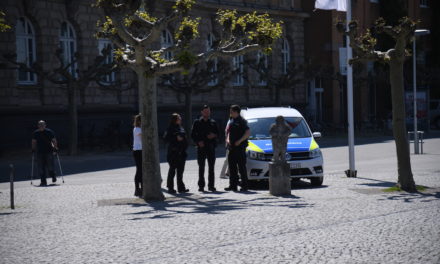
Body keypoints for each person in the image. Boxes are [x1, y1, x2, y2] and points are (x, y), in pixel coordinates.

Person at [191, 105, 219, 192]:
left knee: (211, 168)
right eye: (206, 111)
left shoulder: (213, 122)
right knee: (201, 167)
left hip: (211, 147)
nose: (207, 113)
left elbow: (218, 133)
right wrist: (198, 142)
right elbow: (192, 135)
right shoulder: (197, 122)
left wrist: (213, 135)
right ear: (202, 112)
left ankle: (211, 186)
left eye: (209, 111)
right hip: (201, 148)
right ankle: (201, 186)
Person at [224, 105, 250, 192]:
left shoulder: (242, 121)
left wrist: (239, 141)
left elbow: (247, 133)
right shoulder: (231, 121)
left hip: (240, 148)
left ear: (236, 112)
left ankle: (245, 186)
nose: (230, 113)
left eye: (232, 111)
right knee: (232, 168)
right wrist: (227, 140)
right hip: (231, 148)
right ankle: (233, 186)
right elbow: (228, 133)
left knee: (241, 167)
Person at [164, 113, 190, 194]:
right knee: (172, 171)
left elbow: (185, 138)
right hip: (173, 153)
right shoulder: (170, 128)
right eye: (179, 118)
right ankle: (170, 187)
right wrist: (175, 138)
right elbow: (165, 139)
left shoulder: (181, 128)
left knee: (180, 172)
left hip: (182, 153)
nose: (180, 119)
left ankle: (181, 187)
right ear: (175, 120)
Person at [31, 120, 58, 186]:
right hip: (39, 152)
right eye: (40, 124)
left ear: (45, 125)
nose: (41, 126)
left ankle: (53, 175)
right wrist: (33, 149)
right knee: (41, 167)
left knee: (50, 166)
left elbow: (54, 140)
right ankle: (43, 181)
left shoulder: (49, 132)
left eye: (42, 124)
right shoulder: (36, 133)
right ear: (38, 125)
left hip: (49, 151)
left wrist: (55, 148)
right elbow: (34, 141)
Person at [132, 114, 142, 197]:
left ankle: (142, 187)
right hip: (138, 151)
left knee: (141, 170)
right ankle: (137, 188)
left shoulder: (138, 129)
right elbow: (143, 138)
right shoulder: (138, 129)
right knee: (139, 170)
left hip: (139, 150)